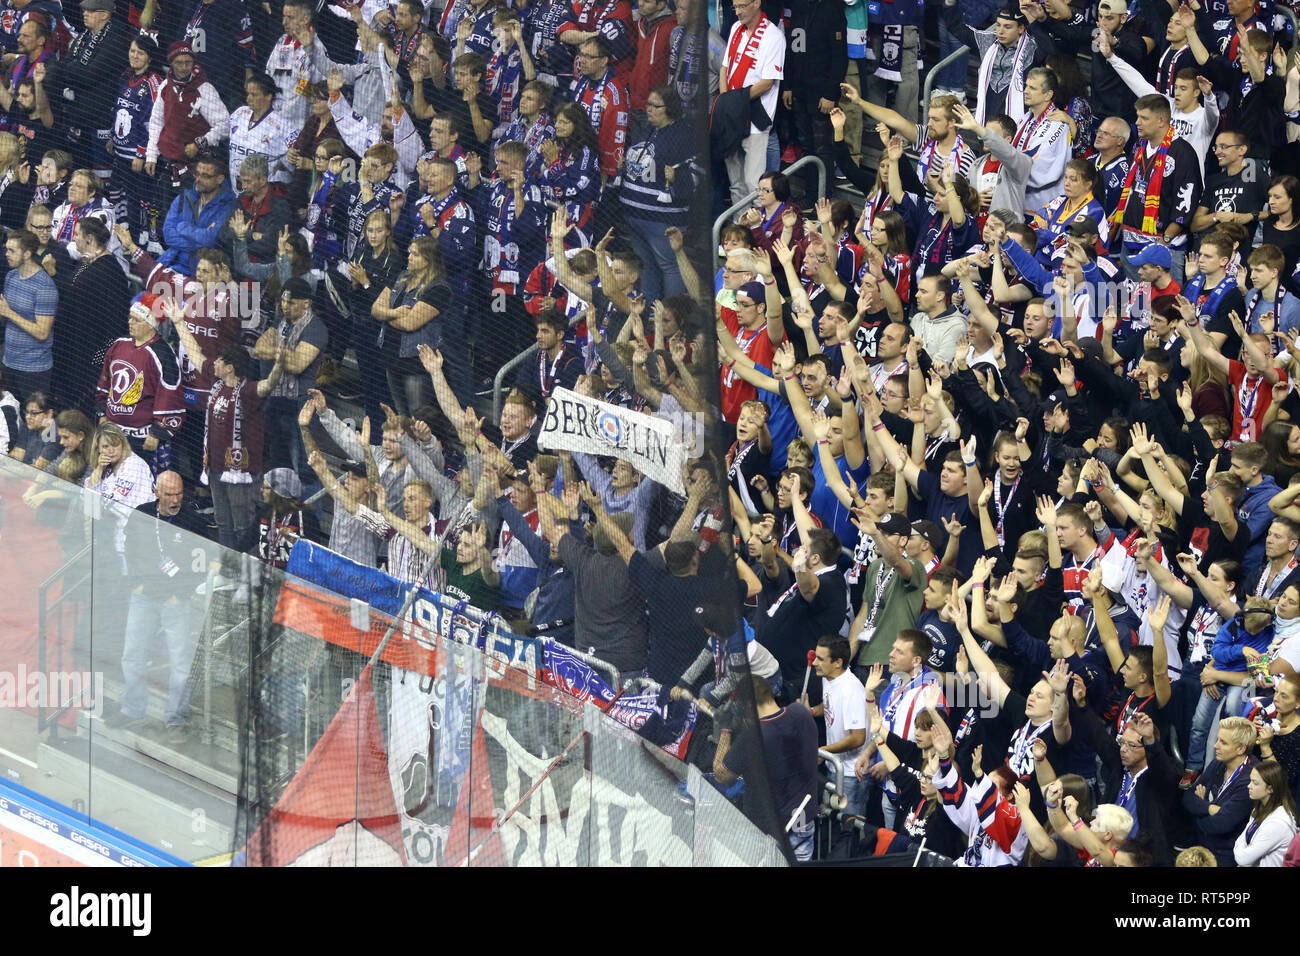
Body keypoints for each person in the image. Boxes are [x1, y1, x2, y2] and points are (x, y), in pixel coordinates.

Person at [167, 300, 284, 553]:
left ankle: (249, 570)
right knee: (223, 523)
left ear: (230, 367)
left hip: (241, 471)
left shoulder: (248, 391)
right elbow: (195, 353)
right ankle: (228, 568)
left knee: (243, 525)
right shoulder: (216, 382)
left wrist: (279, 365)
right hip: (216, 467)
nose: (214, 362)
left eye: (219, 360)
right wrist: (178, 323)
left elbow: (269, 384)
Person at [113, 470, 208, 744]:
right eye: (169, 494)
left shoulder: (192, 521)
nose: (175, 499)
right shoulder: (142, 514)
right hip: (144, 597)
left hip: (175, 601)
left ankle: (175, 719)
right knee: (132, 654)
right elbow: (131, 550)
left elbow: (199, 565)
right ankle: (132, 710)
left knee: (180, 662)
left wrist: (182, 593)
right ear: (156, 492)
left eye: (178, 493)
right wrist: (137, 583)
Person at [714, 674, 819, 861]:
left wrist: (725, 729)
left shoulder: (751, 738)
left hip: (769, 831)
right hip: (803, 819)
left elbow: (722, 774)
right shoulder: (801, 713)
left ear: (746, 705)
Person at [94, 292, 186, 471]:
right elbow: (105, 381)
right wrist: (101, 413)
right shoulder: (118, 344)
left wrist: (158, 432)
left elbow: (170, 396)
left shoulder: (163, 355)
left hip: (141, 439)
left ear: (151, 325)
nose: (130, 322)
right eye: (130, 318)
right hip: (112, 432)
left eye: (136, 320)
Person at [719, 0, 785, 204]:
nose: (737, 12)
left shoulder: (773, 36)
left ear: (756, 3)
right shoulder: (735, 28)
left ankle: (758, 233)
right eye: (734, 7)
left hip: (755, 121)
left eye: (742, 6)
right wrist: (726, 101)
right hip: (731, 117)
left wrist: (734, 102)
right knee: (735, 183)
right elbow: (724, 67)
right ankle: (740, 231)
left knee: (753, 184)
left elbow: (767, 83)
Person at [1183, 715, 1257, 866]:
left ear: (1240, 748)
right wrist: (1210, 807)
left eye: (1223, 743)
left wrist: (1199, 808)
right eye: (1217, 740)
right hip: (1202, 845)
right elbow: (1188, 798)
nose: (1215, 746)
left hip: (1226, 855)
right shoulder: (1218, 763)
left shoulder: (1251, 779)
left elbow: (1222, 824)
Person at [0, 227, 58, 401]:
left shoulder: (45, 286)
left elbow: (42, 332)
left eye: (12, 250)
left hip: (33, 369)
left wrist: (9, 313)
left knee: (32, 423)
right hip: (8, 362)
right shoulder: (11, 277)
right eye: (6, 249)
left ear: (27, 253)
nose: (6, 254)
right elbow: (5, 319)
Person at [1233, 759, 1299, 866]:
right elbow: (1243, 840)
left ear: (1270, 789)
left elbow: (1243, 859)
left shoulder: (1278, 823)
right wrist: (1243, 848)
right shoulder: (1259, 808)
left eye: (1255, 783)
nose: (1249, 786)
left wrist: (1242, 848)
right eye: (1250, 781)